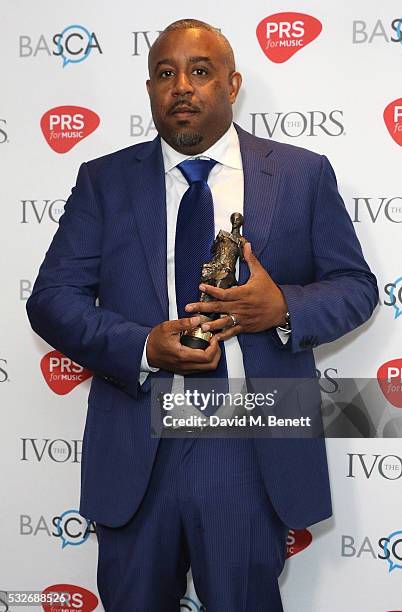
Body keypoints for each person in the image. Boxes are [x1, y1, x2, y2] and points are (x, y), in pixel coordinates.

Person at [26, 18, 379, 612]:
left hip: (248, 440)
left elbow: (356, 286)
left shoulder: (301, 175)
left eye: (199, 71)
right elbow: (51, 298)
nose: (181, 87)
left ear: (232, 84)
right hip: (139, 446)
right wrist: (143, 346)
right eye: (165, 74)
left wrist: (283, 307)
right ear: (148, 91)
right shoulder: (103, 181)